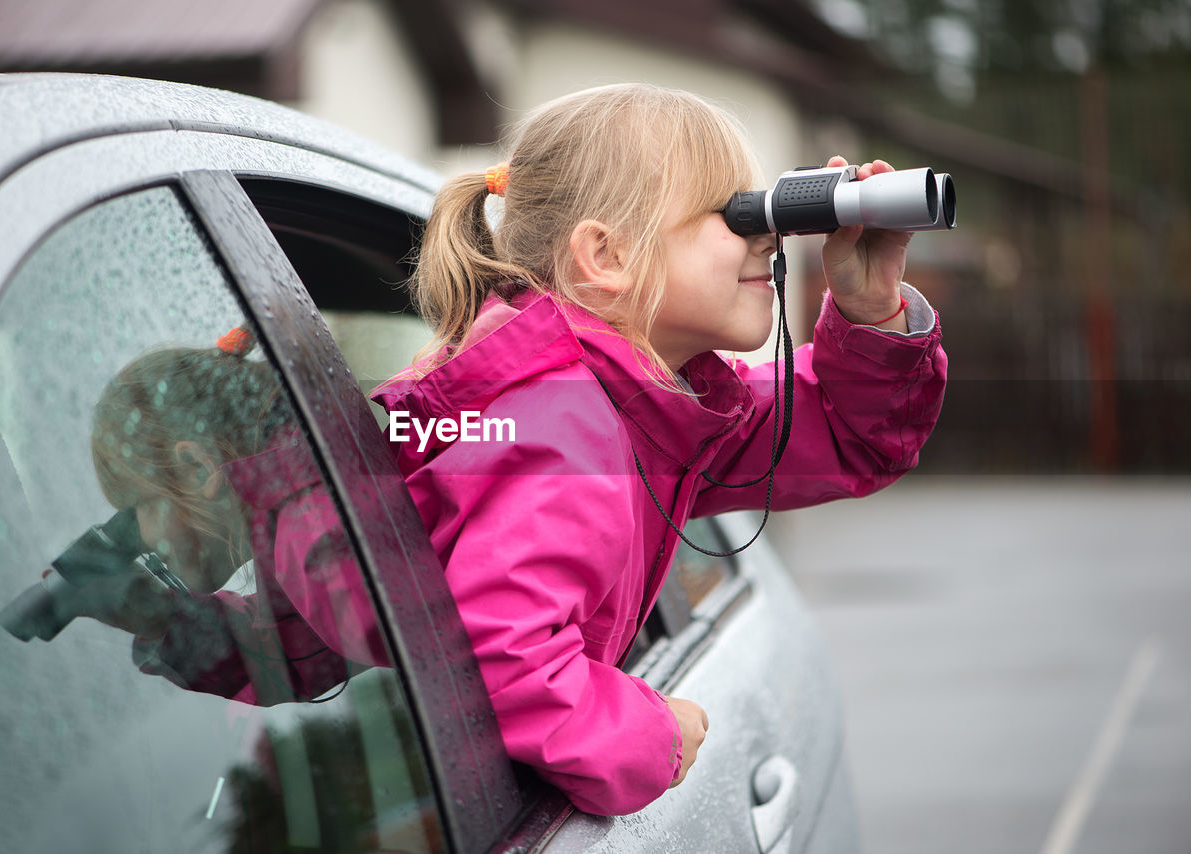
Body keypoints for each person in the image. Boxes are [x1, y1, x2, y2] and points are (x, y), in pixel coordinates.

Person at [371, 83, 947, 816]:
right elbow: (503, 665)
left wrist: (872, 312)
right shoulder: (564, 431)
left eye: (763, 212)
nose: (767, 236)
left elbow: (845, 435)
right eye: (734, 215)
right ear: (604, 255)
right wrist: (653, 734)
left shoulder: (652, 409)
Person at [83, 328, 387, 705]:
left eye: (138, 508)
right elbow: (296, 648)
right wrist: (163, 618)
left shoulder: (311, 530)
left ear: (197, 467)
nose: (141, 536)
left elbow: (434, 633)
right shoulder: (307, 509)